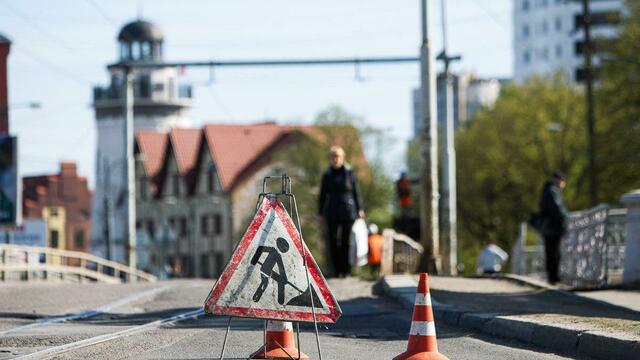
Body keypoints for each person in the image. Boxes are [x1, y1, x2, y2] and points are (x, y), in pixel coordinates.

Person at [318, 146, 364, 277]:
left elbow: (356, 192)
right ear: (330, 159)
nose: (335, 159)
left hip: (348, 210)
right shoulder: (327, 175)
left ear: (342, 158)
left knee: (346, 241)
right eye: (333, 157)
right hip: (332, 210)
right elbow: (322, 195)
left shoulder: (349, 172)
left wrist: (360, 208)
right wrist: (320, 213)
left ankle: (346, 270)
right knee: (333, 241)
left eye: (338, 157)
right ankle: (336, 270)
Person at [538, 172, 569, 285]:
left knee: (550, 252)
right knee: (554, 252)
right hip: (553, 227)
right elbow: (557, 209)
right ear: (558, 180)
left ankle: (552, 277)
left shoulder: (547, 190)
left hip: (548, 227)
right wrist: (565, 218)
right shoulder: (552, 191)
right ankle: (554, 277)